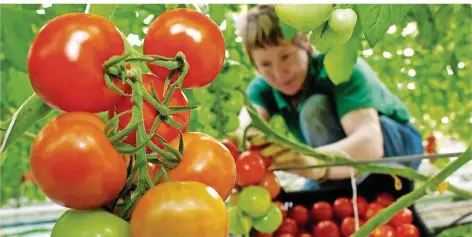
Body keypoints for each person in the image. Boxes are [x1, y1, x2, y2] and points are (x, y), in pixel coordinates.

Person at [236, 5, 424, 190]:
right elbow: (245, 127)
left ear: (306, 43)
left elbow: (369, 145)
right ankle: (343, 184)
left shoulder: (339, 68)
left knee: (314, 109)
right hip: (334, 159)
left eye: (285, 56)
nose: (279, 73)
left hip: (397, 145)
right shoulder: (262, 88)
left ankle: (376, 181)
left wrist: (311, 161)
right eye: (265, 64)